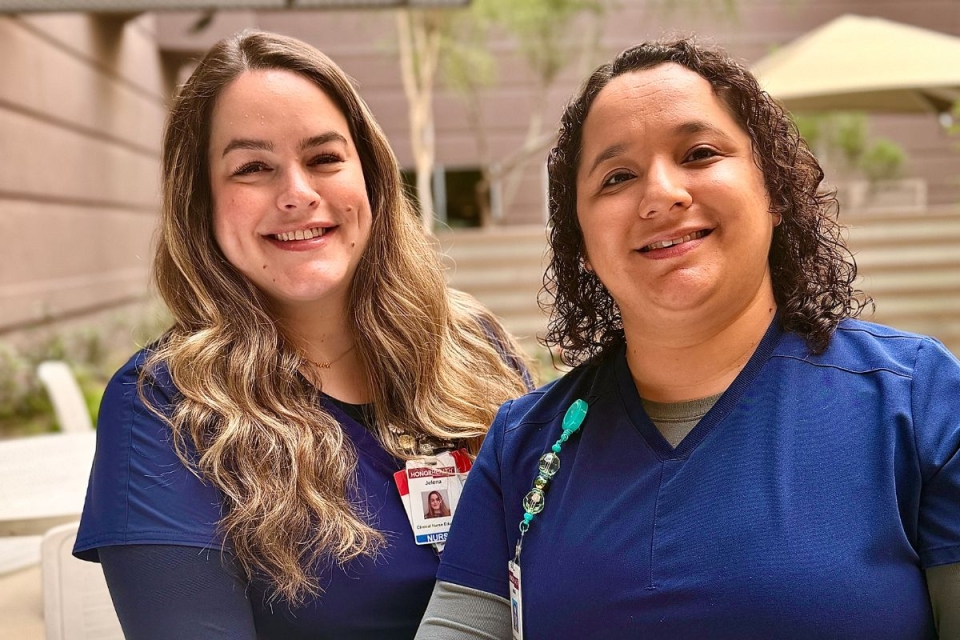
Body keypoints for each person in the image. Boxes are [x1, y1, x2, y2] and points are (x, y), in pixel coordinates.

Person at [417, 39, 960, 639]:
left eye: (699, 153)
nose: (661, 194)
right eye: (618, 176)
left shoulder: (918, 401)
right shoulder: (522, 445)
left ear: (774, 191)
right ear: (583, 243)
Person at [72, 30, 531, 640]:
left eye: (324, 159)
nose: (297, 194)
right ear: (200, 201)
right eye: (253, 168)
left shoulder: (473, 349)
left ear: (370, 176)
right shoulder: (166, 408)